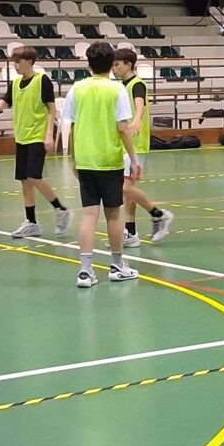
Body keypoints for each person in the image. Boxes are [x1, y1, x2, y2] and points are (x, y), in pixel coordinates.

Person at [0, 47, 71, 238]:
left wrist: (49, 135)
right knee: (25, 181)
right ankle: (32, 223)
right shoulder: (15, 83)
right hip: (22, 137)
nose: (15, 65)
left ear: (30, 61)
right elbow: (1, 105)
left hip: (37, 136)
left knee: (34, 176)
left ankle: (60, 209)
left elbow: (52, 109)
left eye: (18, 61)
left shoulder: (42, 80)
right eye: (14, 62)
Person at [61, 42, 141, 288]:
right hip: (109, 160)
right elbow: (122, 128)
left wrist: (74, 158)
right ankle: (117, 266)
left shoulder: (76, 89)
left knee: (89, 215)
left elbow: (72, 126)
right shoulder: (116, 91)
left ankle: (85, 271)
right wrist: (134, 159)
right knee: (114, 215)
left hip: (85, 159)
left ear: (88, 64)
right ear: (110, 64)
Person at [111, 48, 174, 247]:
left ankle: (159, 215)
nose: (114, 68)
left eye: (117, 64)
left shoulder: (137, 84)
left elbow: (140, 105)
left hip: (136, 144)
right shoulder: (121, 86)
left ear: (128, 65)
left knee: (124, 188)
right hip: (122, 144)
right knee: (127, 191)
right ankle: (131, 233)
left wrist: (136, 120)